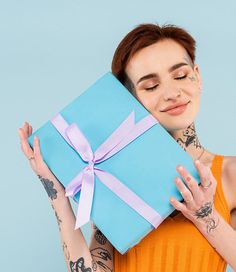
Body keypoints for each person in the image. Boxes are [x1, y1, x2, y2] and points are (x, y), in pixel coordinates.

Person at [18, 23, 236, 272]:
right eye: (151, 86)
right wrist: (55, 190)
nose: (172, 93)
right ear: (130, 99)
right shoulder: (117, 184)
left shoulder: (230, 173)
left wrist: (206, 215)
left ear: (198, 77)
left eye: (180, 75)